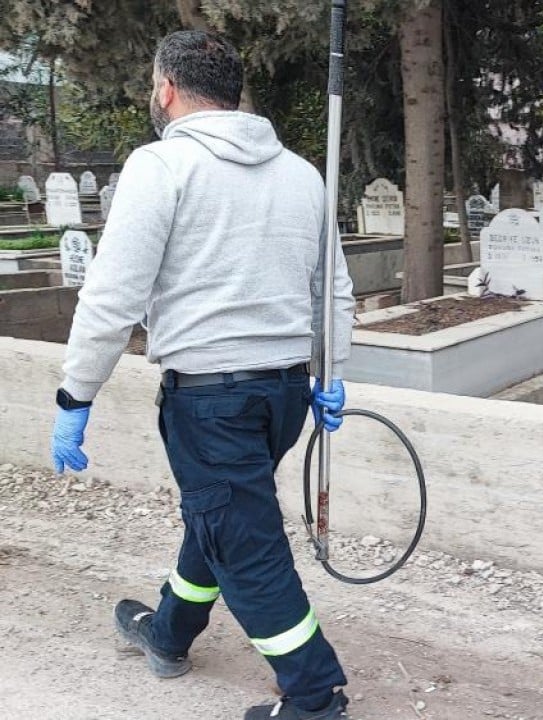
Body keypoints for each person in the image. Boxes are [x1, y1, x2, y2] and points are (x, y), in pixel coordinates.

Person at [49, 30, 356, 720]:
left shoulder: (161, 168)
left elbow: (111, 294)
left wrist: (77, 392)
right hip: (284, 393)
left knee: (244, 542)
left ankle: (314, 695)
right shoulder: (302, 173)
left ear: (166, 88)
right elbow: (331, 291)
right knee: (220, 517)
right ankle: (167, 634)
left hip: (211, 400)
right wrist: (332, 371)